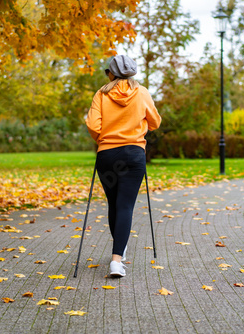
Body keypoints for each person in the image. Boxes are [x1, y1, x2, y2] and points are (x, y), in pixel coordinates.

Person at [85, 55, 161, 277]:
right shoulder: (142, 92)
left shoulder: (102, 93)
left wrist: (104, 138)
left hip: (108, 155)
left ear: (112, 73)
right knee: (125, 205)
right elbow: (155, 122)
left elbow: (92, 124)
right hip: (134, 154)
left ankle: (120, 248)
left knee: (114, 204)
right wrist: (140, 124)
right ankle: (117, 260)